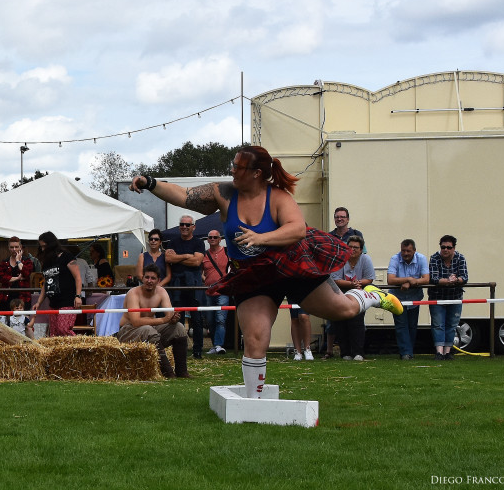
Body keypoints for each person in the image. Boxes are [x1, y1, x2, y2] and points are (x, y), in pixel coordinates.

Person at [130, 145, 403, 398]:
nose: (232, 170)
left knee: (344, 310)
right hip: (255, 276)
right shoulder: (224, 194)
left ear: (256, 173)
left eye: (238, 167)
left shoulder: (278, 197)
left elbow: (297, 229)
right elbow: (184, 196)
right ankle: (254, 401)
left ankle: (371, 296)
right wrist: (150, 182)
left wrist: (261, 238)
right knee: (255, 338)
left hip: (291, 266)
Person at [116, 264, 189, 378]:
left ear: (158, 280)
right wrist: (164, 320)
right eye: (147, 277)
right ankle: (168, 373)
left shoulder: (161, 291)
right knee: (149, 330)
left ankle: (182, 372)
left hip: (149, 329)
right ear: (142, 278)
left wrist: (173, 319)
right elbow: (135, 322)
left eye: (153, 278)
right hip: (128, 331)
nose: (149, 281)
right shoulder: (133, 293)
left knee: (179, 328)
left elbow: (169, 315)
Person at [325, 207, 364, 356]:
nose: (339, 219)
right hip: (333, 280)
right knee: (333, 319)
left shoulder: (356, 234)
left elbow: (362, 255)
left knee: (356, 320)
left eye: (342, 217)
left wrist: (357, 282)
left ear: (348, 219)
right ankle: (330, 351)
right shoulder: (329, 236)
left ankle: (356, 351)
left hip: (355, 286)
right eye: (337, 217)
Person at [165, 214, 205, 358]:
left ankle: (198, 351)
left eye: (187, 225)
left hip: (194, 284)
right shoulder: (172, 242)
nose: (184, 227)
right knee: (178, 318)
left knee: (197, 319)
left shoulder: (199, 243)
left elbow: (197, 262)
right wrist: (188, 256)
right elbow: (168, 258)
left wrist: (177, 258)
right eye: (182, 224)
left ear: (193, 227)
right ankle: (180, 350)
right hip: (177, 284)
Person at [330, 236, 374, 361]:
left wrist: (358, 283)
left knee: (357, 321)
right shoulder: (339, 259)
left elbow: (369, 278)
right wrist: (351, 284)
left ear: (361, 250)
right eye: (350, 247)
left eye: (356, 247)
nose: (352, 249)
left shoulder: (366, 259)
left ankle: (358, 353)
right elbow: (335, 279)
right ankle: (345, 353)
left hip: (359, 292)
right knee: (341, 322)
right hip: (341, 292)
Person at [30, 231, 82, 337]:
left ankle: (79, 344)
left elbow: (78, 277)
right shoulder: (47, 262)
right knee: (54, 333)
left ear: (51, 244)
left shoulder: (67, 257)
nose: (43, 249)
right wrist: (39, 302)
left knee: (63, 329)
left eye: (44, 246)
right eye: (41, 247)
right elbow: (46, 284)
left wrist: (78, 296)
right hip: (53, 302)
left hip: (67, 301)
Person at [387, 239, 430, 360]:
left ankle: (408, 352)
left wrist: (410, 283)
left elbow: (426, 279)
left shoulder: (421, 258)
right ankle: (406, 353)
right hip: (397, 298)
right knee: (401, 325)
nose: (405, 253)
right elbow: (390, 280)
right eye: (403, 251)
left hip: (414, 298)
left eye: (408, 251)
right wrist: (408, 279)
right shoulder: (395, 259)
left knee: (412, 326)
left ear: (414, 251)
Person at [428, 235, 468, 361]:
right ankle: (439, 353)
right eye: (443, 247)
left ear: (454, 248)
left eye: (448, 247)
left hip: (455, 297)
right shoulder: (434, 258)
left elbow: (465, 277)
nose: (445, 250)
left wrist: (456, 280)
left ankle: (448, 352)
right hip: (437, 297)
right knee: (438, 325)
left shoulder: (460, 258)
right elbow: (434, 278)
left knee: (452, 325)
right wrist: (448, 281)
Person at [202, 229, 229, 355]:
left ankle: (219, 345)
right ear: (207, 240)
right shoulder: (204, 254)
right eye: (210, 237)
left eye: (215, 237)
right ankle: (215, 345)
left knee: (220, 319)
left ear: (220, 239)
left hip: (223, 291)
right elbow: (200, 272)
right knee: (210, 320)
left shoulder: (227, 252)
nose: (212, 239)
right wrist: (207, 281)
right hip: (208, 292)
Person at [0, 237, 34, 311]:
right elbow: (1, 278)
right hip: (6, 297)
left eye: (16, 247)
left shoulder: (27, 261)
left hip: (23, 297)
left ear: (20, 247)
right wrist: (17, 278)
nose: (14, 249)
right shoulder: (4, 262)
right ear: (8, 248)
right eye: (11, 247)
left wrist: (18, 261)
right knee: (5, 317)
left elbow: (26, 274)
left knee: (23, 317)